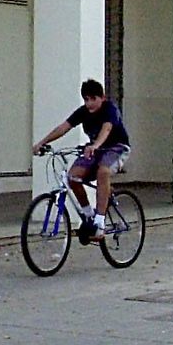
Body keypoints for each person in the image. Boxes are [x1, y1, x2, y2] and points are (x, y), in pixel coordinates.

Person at [31, 79, 131, 245]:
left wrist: (95, 145)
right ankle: (89, 215)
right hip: (94, 149)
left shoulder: (110, 109)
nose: (89, 103)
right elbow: (63, 127)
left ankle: (100, 222)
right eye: (86, 99)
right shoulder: (83, 112)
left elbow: (106, 128)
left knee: (103, 171)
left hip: (116, 148)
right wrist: (42, 142)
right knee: (72, 177)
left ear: (102, 97)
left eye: (93, 99)